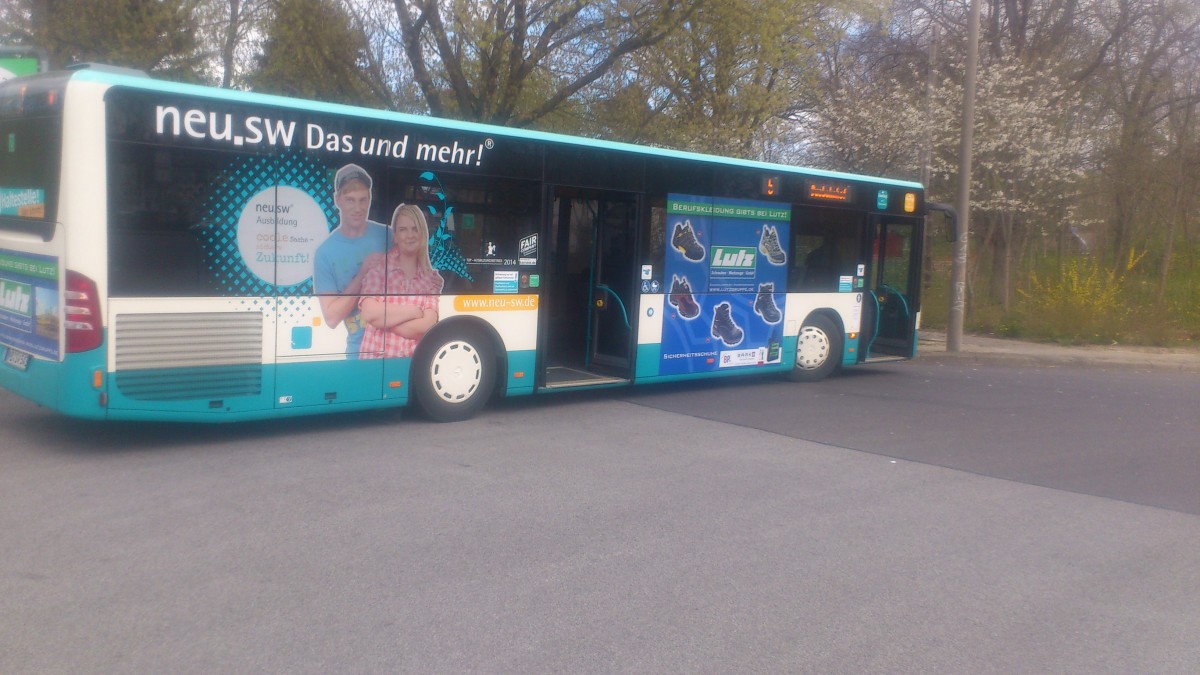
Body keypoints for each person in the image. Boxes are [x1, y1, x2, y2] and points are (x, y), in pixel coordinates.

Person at [312, 164, 390, 357]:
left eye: (363, 200)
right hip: (359, 353)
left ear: (370, 199)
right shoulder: (324, 252)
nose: (358, 208)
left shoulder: (389, 235)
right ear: (337, 200)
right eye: (350, 200)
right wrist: (363, 274)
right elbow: (331, 317)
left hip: (395, 349)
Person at [357, 203, 444, 358]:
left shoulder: (431, 280)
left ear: (422, 234)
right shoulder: (379, 268)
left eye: (414, 228)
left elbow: (426, 326)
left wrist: (384, 322)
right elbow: (369, 313)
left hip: (410, 365)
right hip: (375, 363)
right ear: (395, 236)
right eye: (403, 230)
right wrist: (413, 312)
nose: (409, 235)